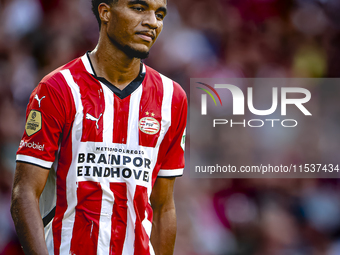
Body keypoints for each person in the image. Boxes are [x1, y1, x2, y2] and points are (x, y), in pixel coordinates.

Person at [10, 0, 187, 254]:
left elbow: (163, 208)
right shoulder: (58, 88)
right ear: (105, 13)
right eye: (139, 8)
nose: (152, 22)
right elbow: (24, 193)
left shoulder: (173, 98)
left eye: (159, 14)